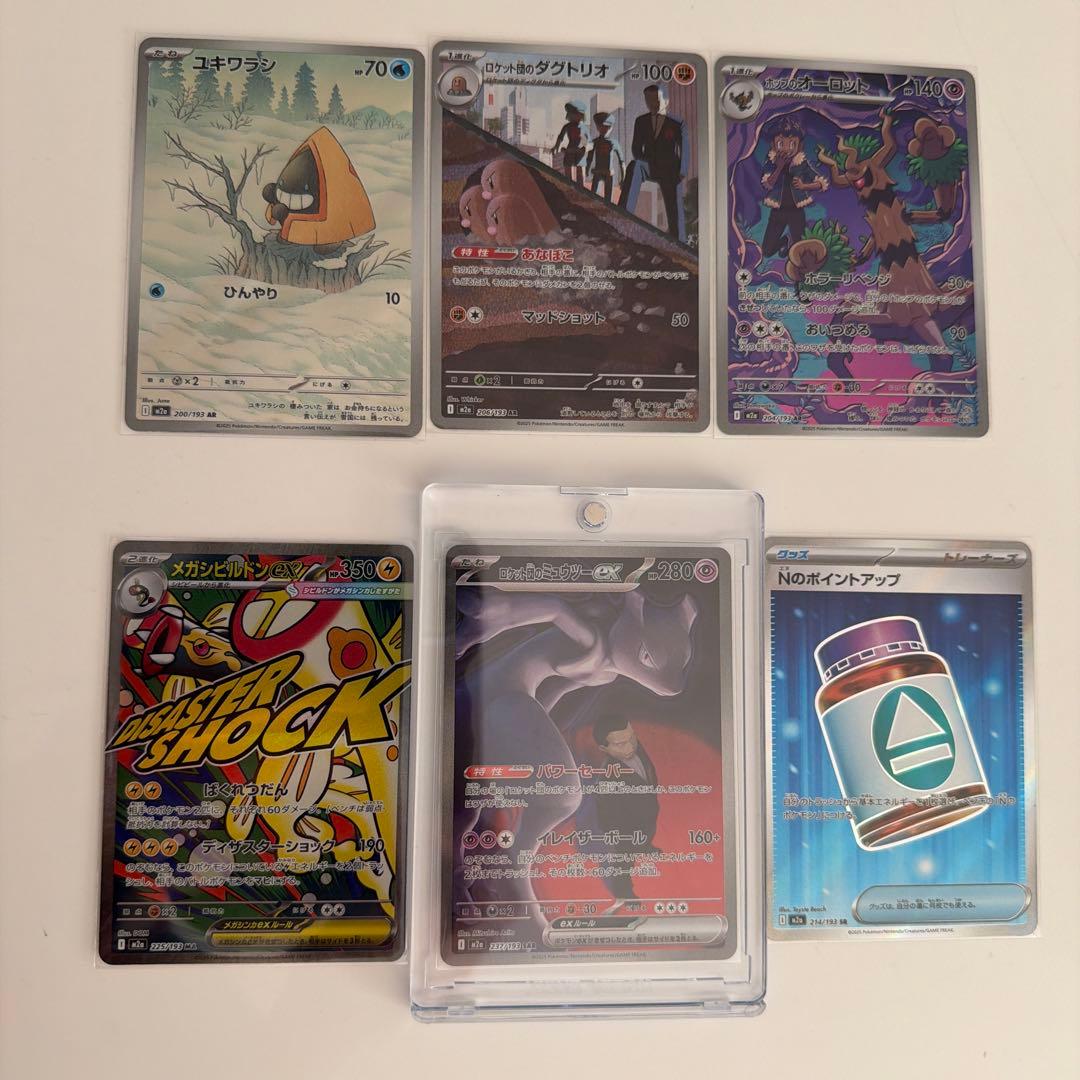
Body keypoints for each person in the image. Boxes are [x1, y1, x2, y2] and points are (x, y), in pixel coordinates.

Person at [583, 715, 660, 903]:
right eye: (620, 744)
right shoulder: (607, 779)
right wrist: (619, 836)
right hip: (624, 829)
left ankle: (645, 846)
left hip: (646, 813)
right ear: (604, 749)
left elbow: (648, 770)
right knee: (623, 860)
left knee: (647, 833)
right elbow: (607, 814)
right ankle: (623, 892)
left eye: (632, 737)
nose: (630, 746)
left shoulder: (636, 747)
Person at [618, 85, 688, 241]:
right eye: (648, 100)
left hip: (670, 170)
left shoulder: (677, 123)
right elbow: (636, 148)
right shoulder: (641, 121)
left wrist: (682, 171)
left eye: (656, 100)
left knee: (675, 207)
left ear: (666, 101)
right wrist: (647, 161)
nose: (652, 104)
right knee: (635, 165)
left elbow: (684, 148)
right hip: (649, 165)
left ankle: (680, 241)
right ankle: (623, 215)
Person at [759, 116, 827, 260]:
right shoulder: (771, 162)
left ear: (799, 146)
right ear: (773, 145)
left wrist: (804, 186)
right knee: (766, 251)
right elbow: (768, 184)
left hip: (796, 211)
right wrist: (779, 167)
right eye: (780, 143)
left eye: (791, 144)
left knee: (800, 250)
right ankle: (785, 241)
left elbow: (820, 183)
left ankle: (798, 267)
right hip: (778, 211)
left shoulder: (801, 163)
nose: (786, 148)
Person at [586, 112, 623, 201]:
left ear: (611, 128)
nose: (604, 129)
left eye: (607, 127)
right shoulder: (595, 142)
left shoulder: (614, 143)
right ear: (597, 127)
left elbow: (621, 162)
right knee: (593, 197)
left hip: (608, 173)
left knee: (608, 200)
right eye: (601, 126)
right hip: (598, 172)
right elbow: (589, 158)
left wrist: (623, 179)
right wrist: (586, 170)